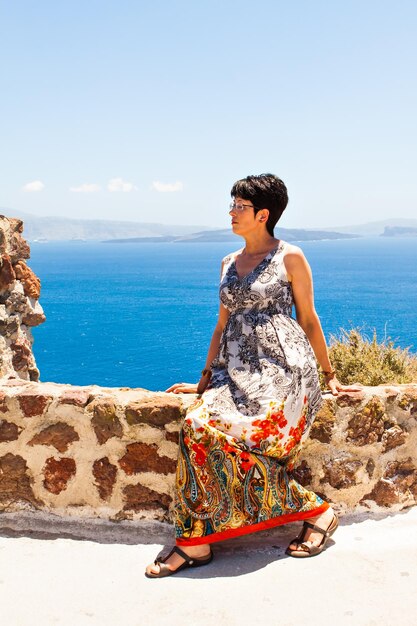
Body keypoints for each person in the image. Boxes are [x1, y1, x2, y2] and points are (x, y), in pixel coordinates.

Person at [145, 173, 360, 578]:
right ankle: (205, 540)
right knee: (195, 425)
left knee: (256, 437)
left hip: (285, 372)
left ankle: (201, 543)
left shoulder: (290, 257)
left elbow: (309, 320)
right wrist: (204, 379)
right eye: (232, 204)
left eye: (239, 206)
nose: (231, 212)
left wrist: (328, 375)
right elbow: (221, 325)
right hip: (236, 372)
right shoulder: (227, 262)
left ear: (263, 214)